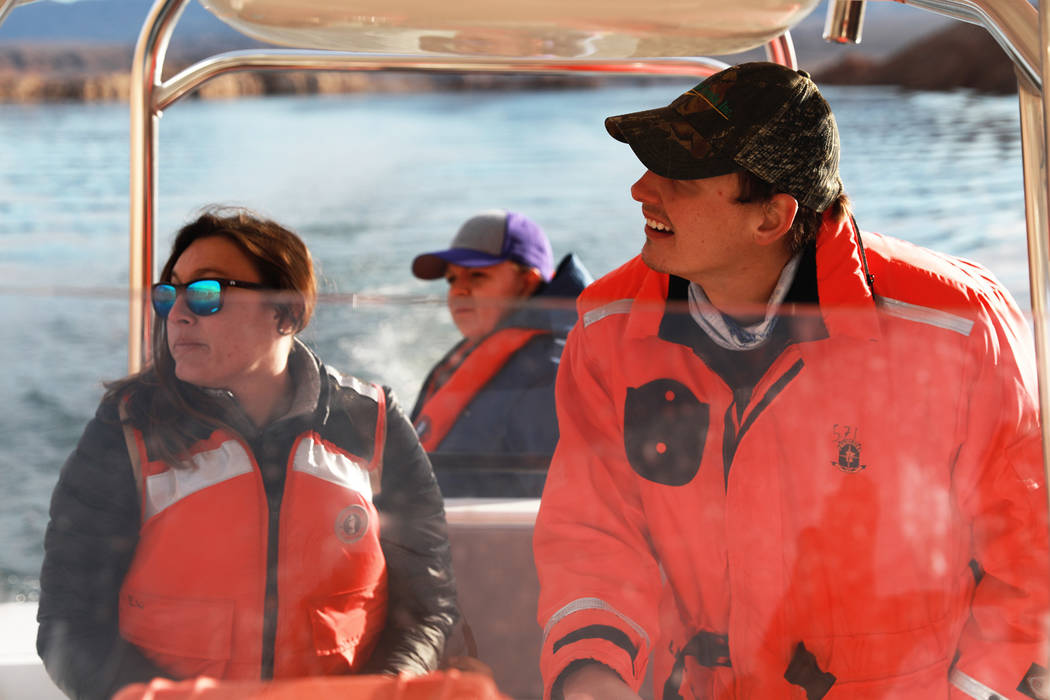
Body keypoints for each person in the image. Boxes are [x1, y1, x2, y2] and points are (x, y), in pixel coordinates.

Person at [533, 62, 1049, 700]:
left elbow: (1032, 553)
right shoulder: (607, 326)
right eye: (648, 168)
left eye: (680, 179)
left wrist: (973, 693)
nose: (642, 189)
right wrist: (593, 673)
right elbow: (594, 529)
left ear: (773, 217)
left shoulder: (958, 325)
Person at [37, 208, 458, 700]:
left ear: (285, 312)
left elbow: (427, 608)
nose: (178, 313)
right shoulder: (126, 430)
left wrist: (382, 694)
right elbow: (68, 623)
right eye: (169, 294)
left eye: (207, 293)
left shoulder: (373, 425)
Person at [409, 209, 592, 496]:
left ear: (528, 281)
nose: (458, 290)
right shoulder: (488, 341)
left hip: (482, 537)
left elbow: (558, 504)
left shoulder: (551, 373)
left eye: (477, 275)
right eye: (452, 279)